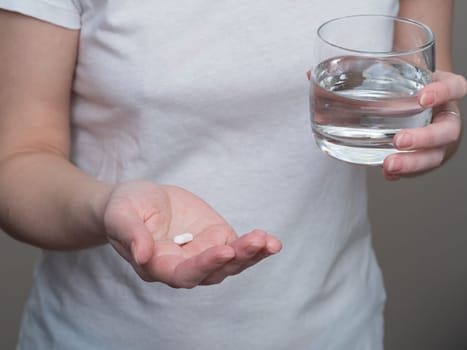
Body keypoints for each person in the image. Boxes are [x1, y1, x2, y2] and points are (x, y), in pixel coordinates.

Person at [0, 0, 465, 349]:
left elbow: (422, 99)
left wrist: (433, 133)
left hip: (332, 327)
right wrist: (105, 207)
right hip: (104, 334)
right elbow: (17, 161)